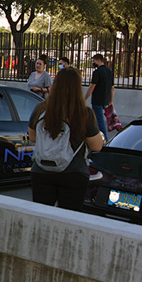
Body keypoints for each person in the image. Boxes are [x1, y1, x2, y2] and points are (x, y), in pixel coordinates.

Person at [28, 67, 104, 210]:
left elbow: (33, 137)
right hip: (73, 172)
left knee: (42, 216)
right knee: (68, 219)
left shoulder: (41, 109)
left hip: (42, 171)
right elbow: (96, 146)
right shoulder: (84, 113)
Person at [85, 53, 115, 140]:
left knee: (99, 121)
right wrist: (110, 101)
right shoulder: (110, 72)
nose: (93, 63)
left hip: (97, 99)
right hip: (105, 99)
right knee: (101, 120)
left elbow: (92, 87)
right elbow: (112, 88)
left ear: (99, 60)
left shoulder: (97, 72)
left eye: (94, 61)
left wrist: (84, 98)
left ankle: (104, 139)